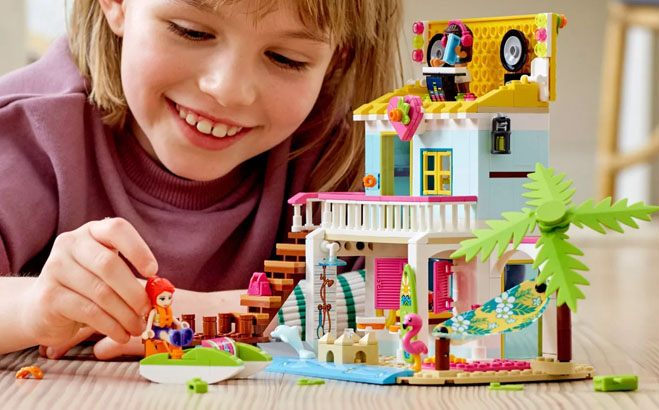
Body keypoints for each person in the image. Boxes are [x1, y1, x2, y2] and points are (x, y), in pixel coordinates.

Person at [0, 0, 402, 359]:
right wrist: (33, 306)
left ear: (337, 57)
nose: (228, 90)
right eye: (191, 32)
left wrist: (222, 315)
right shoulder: (32, 124)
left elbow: (421, 291)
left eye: (286, 58)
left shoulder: (349, 151)